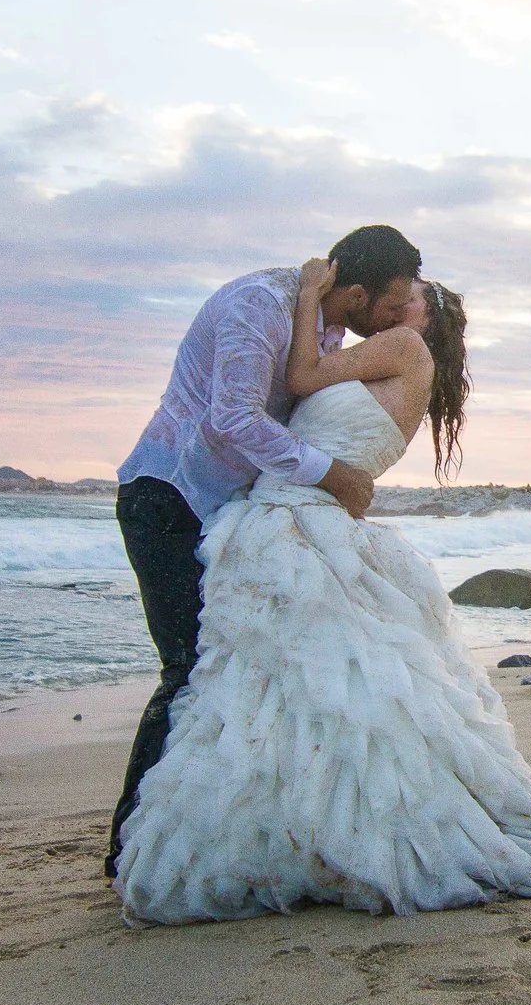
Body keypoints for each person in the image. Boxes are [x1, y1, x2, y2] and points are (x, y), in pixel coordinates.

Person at [111, 263, 531, 924]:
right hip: (273, 517)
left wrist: (310, 297)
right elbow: (294, 402)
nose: (403, 303)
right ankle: (296, 829)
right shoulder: (376, 355)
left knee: (260, 687)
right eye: (399, 292)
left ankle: (198, 841)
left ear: (432, 315)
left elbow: (298, 382)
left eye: (414, 297)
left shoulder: (401, 348)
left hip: (293, 522)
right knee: (291, 693)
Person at [104, 226, 424, 878]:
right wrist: (330, 472)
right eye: (391, 306)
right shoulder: (259, 306)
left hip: (227, 511)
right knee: (189, 669)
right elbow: (235, 418)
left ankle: (219, 834)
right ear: (356, 293)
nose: (395, 317)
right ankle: (130, 850)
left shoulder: (325, 326)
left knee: (231, 668)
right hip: (168, 498)